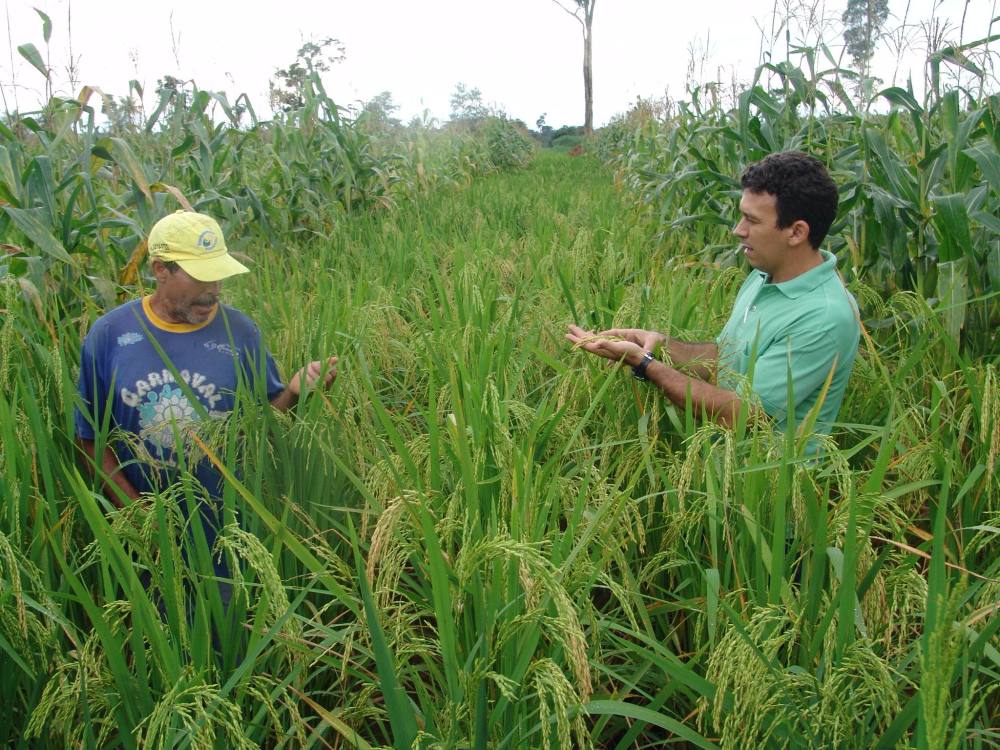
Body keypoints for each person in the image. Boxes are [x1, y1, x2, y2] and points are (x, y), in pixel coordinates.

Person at [75, 210, 337, 554]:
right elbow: (89, 438)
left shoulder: (240, 332)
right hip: (146, 541)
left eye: (218, 277)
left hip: (229, 532)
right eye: (200, 278)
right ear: (160, 270)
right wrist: (138, 517)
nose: (212, 291)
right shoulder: (110, 335)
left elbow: (263, 425)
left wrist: (292, 393)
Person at [566, 150, 860, 442]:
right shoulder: (762, 277)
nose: (737, 230)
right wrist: (659, 345)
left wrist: (646, 365)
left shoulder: (825, 316)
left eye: (751, 220)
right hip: (720, 471)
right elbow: (725, 359)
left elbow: (741, 415)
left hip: (770, 484)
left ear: (796, 232)